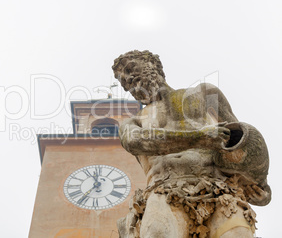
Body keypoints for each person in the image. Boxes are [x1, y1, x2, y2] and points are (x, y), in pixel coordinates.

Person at [112, 50, 271, 238]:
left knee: (239, 234)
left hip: (218, 188)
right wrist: (198, 138)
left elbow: (239, 141)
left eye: (131, 69)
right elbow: (135, 141)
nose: (130, 79)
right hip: (164, 190)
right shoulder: (133, 122)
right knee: (157, 233)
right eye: (125, 81)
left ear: (154, 65)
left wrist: (258, 185)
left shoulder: (205, 94)